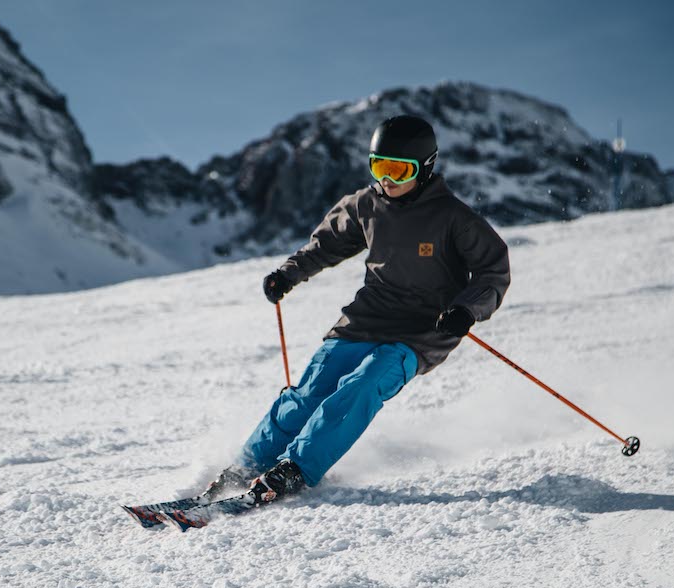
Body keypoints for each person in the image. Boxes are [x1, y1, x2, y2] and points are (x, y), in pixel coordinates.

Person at [206, 114, 511, 505]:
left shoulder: (453, 218)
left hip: (420, 332)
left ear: (426, 168)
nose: (388, 180)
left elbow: (493, 271)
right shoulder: (366, 205)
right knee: (311, 390)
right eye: (380, 168)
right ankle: (245, 468)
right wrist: (288, 274)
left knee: (361, 386)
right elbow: (326, 245)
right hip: (365, 318)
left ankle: (295, 469)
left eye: (399, 171)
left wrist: (466, 310)